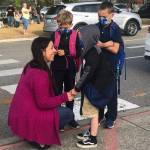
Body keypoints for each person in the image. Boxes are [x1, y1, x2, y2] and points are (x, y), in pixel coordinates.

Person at [8, 37, 75, 150]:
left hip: (21, 113)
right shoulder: (40, 74)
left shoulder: (31, 65)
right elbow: (43, 103)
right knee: (68, 114)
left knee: (58, 109)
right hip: (30, 115)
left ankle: (30, 133)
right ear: (42, 51)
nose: (55, 50)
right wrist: (65, 96)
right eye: (51, 48)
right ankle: (39, 138)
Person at [51, 10, 82, 130]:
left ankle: (70, 118)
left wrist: (67, 53)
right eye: (60, 25)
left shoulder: (75, 34)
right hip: (57, 68)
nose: (62, 27)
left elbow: (79, 51)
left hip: (70, 69)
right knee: (57, 93)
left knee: (70, 93)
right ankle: (59, 118)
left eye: (65, 25)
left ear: (70, 24)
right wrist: (54, 51)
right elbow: (49, 48)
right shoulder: (54, 34)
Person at [96, 2, 125, 129]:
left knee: (111, 93)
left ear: (111, 15)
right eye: (99, 16)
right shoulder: (97, 26)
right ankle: (99, 115)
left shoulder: (114, 28)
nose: (101, 19)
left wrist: (103, 45)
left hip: (113, 65)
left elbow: (115, 49)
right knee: (99, 91)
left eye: (104, 17)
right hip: (99, 65)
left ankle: (111, 117)